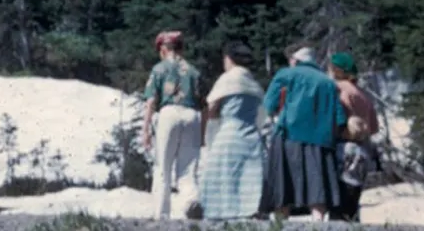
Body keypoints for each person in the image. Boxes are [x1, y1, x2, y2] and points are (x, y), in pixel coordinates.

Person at [261, 44, 346, 220]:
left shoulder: (286, 74)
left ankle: (280, 227)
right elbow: (340, 119)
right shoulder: (329, 83)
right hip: (321, 141)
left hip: (288, 137)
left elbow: (269, 104)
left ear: (295, 60)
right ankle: (318, 225)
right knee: (318, 189)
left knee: (282, 187)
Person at [198, 41, 266, 221]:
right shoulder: (253, 82)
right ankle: (247, 210)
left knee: (221, 173)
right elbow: (262, 113)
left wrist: (210, 127)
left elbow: (212, 106)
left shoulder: (228, 79)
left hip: (230, 131)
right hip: (251, 134)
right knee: (247, 175)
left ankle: (218, 212)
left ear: (228, 59)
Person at [141, 29, 202, 220]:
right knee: (187, 167)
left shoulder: (159, 69)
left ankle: (162, 213)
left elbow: (151, 101)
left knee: (163, 166)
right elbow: (205, 103)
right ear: (180, 48)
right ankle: (191, 201)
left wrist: (146, 129)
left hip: (168, 114)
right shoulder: (193, 71)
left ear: (162, 49)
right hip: (192, 115)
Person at [329, 51, 380, 223]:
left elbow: (335, 117)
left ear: (336, 70)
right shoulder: (363, 95)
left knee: (339, 206)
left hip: (344, 148)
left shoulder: (339, 90)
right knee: (353, 204)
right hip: (363, 151)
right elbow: (374, 128)